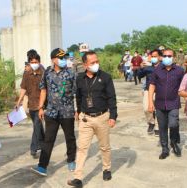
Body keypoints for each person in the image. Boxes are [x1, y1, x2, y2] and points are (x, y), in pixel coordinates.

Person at [67, 51, 117, 188]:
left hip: (102, 117)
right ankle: (77, 177)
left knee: (104, 147)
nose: (96, 64)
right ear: (85, 65)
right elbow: (78, 96)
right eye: (92, 62)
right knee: (82, 148)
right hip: (86, 119)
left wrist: (113, 116)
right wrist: (78, 111)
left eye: (97, 61)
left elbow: (112, 98)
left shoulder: (105, 77)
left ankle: (106, 168)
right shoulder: (80, 78)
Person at [31, 48, 77, 176]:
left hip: (67, 112)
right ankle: (42, 167)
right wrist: (40, 108)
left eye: (64, 58)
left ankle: (71, 160)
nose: (63, 60)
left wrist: (78, 109)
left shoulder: (71, 73)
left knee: (70, 137)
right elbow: (43, 90)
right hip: (51, 112)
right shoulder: (47, 73)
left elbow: (77, 92)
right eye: (60, 58)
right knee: (48, 139)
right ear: (53, 60)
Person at [148, 48, 184, 159]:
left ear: (173, 57)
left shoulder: (179, 70)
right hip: (159, 103)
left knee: (173, 124)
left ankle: (174, 142)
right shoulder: (157, 70)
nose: (167, 58)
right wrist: (150, 102)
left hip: (173, 102)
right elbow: (152, 85)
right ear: (162, 57)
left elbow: (184, 86)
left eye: (169, 56)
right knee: (162, 127)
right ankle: (165, 149)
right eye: (165, 56)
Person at [16, 50, 45, 158]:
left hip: (40, 104)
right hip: (31, 104)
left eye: (35, 62)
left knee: (37, 124)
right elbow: (23, 88)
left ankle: (34, 148)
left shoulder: (43, 72)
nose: (33, 64)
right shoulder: (26, 73)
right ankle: (44, 143)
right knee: (37, 125)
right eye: (31, 62)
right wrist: (19, 102)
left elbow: (45, 89)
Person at [139, 49, 162, 135]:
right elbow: (139, 75)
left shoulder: (164, 67)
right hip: (148, 91)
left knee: (159, 110)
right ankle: (151, 122)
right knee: (146, 108)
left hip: (160, 91)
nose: (153, 58)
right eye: (152, 56)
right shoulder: (147, 68)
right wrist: (141, 68)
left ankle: (157, 126)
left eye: (155, 56)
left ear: (160, 57)